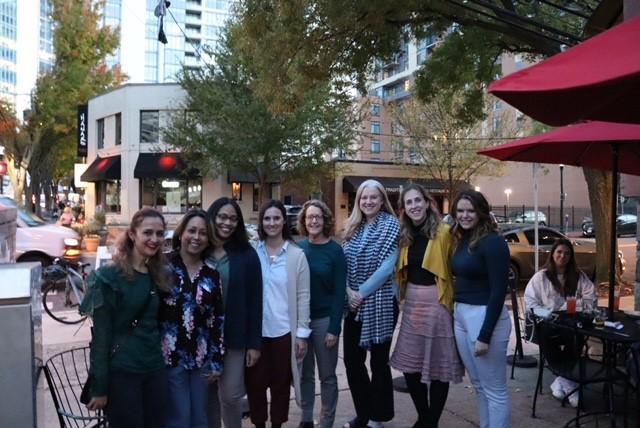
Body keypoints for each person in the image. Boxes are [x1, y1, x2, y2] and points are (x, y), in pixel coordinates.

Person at [80, 207, 169, 427]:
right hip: (123, 372)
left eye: (160, 234)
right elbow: (101, 338)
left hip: (154, 369)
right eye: (147, 233)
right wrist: (99, 388)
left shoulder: (158, 273)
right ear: (132, 234)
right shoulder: (109, 277)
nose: (154, 239)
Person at [390, 184, 464, 428]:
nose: (414, 206)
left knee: (438, 368)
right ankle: (425, 417)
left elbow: (458, 264)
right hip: (412, 302)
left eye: (417, 201)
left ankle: (431, 421)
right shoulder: (404, 235)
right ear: (404, 208)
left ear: (426, 201)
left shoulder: (444, 231)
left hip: (437, 302)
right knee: (410, 368)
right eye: (409, 203)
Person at [246, 199, 310, 428]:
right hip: (256, 333)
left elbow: (303, 295)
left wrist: (302, 334)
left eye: (276, 218)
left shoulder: (296, 255)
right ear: (261, 222)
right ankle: (259, 424)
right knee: (255, 384)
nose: (271, 223)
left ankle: (277, 424)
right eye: (267, 218)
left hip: (284, 332)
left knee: (281, 385)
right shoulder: (252, 251)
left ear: (284, 221)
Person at [450, 190, 511, 428]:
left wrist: (484, 335)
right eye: (460, 211)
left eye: (470, 211)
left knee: (495, 390)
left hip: (485, 317)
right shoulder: (463, 238)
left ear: (481, 212)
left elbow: (499, 291)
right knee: (478, 385)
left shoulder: (493, 242)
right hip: (462, 315)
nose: (465, 215)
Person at [342, 179, 400, 428]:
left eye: (373, 197)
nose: (368, 201)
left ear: (382, 200)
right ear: (358, 201)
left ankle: (378, 416)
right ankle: (364, 413)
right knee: (352, 362)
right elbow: (342, 264)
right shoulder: (352, 227)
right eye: (364, 198)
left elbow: (387, 268)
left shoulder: (392, 226)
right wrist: (348, 292)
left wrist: (360, 293)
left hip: (381, 303)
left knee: (378, 363)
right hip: (353, 304)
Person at [159, 209, 225, 427]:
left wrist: (216, 360)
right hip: (170, 357)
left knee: (199, 418)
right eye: (192, 231)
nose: (197, 237)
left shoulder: (212, 275)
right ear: (181, 233)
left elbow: (217, 319)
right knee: (180, 418)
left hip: (201, 359)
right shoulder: (162, 266)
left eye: (203, 233)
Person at [205, 197, 263, 428]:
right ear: (213, 217)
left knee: (230, 397)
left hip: (234, 337)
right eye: (222, 216)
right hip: (201, 337)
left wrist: (254, 343)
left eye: (232, 218)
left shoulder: (246, 255)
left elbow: (255, 300)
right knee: (206, 398)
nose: (227, 222)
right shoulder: (199, 249)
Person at [524, 238, 595, 407]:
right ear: (553, 254)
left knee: (578, 335)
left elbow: (590, 298)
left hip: (571, 322)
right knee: (548, 336)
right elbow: (530, 305)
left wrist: (573, 306)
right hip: (545, 322)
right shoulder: (540, 277)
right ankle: (570, 383)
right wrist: (550, 314)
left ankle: (561, 381)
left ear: (571, 257)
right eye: (559, 252)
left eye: (567, 253)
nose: (563, 256)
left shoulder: (579, 276)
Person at [296, 200, 347, 428]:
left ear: (325, 220)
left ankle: (326, 420)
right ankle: (306, 418)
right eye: (309, 217)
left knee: (327, 376)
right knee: (305, 374)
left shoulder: (335, 251)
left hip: (324, 321)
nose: (313, 221)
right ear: (303, 222)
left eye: (317, 217)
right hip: (302, 323)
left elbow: (339, 294)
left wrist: (334, 328)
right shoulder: (298, 249)